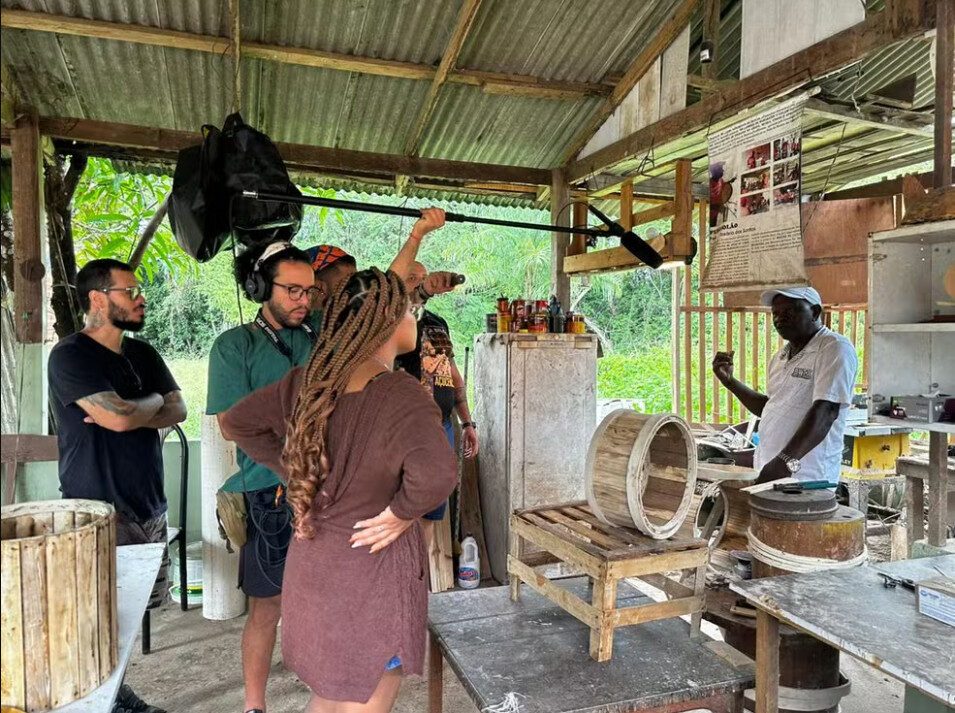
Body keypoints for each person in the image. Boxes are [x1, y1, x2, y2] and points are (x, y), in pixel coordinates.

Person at [210, 210, 447, 713]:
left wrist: (296, 470)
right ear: (388, 321)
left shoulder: (308, 380)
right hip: (371, 574)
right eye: (409, 309)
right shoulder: (401, 394)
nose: (415, 317)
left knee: (329, 696)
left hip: (315, 563)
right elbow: (438, 475)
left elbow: (236, 424)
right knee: (363, 697)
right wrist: (402, 513)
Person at [48, 258, 187, 713]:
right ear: (97, 299)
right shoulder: (70, 355)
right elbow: (119, 419)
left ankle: (116, 697)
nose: (140, 297)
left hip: (149, 502)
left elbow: (178, 409)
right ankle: (100, 702)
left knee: (131, 617)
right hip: (98, 508)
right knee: (99, 619)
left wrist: (135, 407)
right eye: (130, 291)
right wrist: (144, 409)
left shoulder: (143, 354)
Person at [206, 241, 320, 713]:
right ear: (259, 287)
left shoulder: (315, 338)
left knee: (320, 601)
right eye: (292, 290)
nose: (303, 300)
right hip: (266, 494)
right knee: (267, 607)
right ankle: (255, 706)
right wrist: (291, 469)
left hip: (322, 491)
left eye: (309, 292)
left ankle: (327, 694)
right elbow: (231, 422)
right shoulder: (235, 346)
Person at [712, 286, 857, 484]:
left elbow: (827, 411)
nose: (779, 319)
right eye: (775, 313)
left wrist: (785, 461)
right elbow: (770, 407)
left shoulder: (834, 348)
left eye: (789, 311)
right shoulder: (780, 357)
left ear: (814, 312)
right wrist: (730, 382)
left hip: (806, 478)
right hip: (770, 469)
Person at [396, 262, 478, 532]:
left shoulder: (437, 323)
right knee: (405, 512)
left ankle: (422, 573)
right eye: (413, 278)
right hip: (407, 430)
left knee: (432, 514)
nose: (420, 283)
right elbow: (404, 304)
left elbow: (453, 376)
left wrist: (467, 423)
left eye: (423, 278)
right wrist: (424, 290)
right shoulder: (391, 321)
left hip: (442, 427)